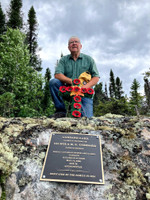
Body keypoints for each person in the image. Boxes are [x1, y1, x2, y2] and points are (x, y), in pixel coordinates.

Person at [49, 36, 99, 118]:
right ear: (68, 47)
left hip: (84, 93)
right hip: (68, 91)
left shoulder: (89, 59)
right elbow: (57, 75)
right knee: (53, 82)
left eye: (76, 42)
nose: (74, 43)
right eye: (71, 42)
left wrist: (84, 87)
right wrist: (73, 82)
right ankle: (61, 111)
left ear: (81, 46)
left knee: (87, 119)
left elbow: (96, 77)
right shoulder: (63, 60)